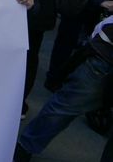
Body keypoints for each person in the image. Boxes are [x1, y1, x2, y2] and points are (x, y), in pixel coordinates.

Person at [14, 17, 113, 162]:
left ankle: (22, 149)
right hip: (104, 62)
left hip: (103, 60)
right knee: (62, 109)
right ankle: (21, 150)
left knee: (61, 109)